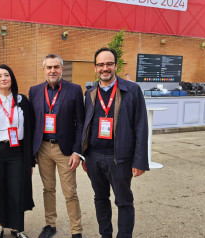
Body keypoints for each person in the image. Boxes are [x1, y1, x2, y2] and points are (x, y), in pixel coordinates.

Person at [81, 47, 149, 238]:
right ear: (95, 68)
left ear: (116, 66)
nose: (105, 68)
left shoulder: (132, 90)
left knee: (124, 202)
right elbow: (86, 125)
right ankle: (106, 235)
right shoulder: (90, 93)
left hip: (120, 158)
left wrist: (139, 161)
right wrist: (84, 154)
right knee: (100, 199)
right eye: (101, 64)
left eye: (109, 64)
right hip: (94, 157)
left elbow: (141, 126)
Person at [29, 54, 84, 238]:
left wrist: (77, 151)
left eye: (56, 67)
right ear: (44, 70)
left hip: (65, 150)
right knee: (48, 189)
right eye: (49, 67)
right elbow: (32, 123)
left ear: (62, 69)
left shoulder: (74, 90)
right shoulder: (35, 91)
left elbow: (81, 124)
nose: (53, 71)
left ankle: (76, 230)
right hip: (43, 148)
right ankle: (49, 225)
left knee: (70, 191)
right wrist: (32, 151)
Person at [0, 64, 35, 238]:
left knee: (16, 190)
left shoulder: (22, 101)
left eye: (7, 75)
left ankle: (18, 228)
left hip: (17, 152)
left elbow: (30, 130)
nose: (3, 78)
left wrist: (30, 160)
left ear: (12, 79)